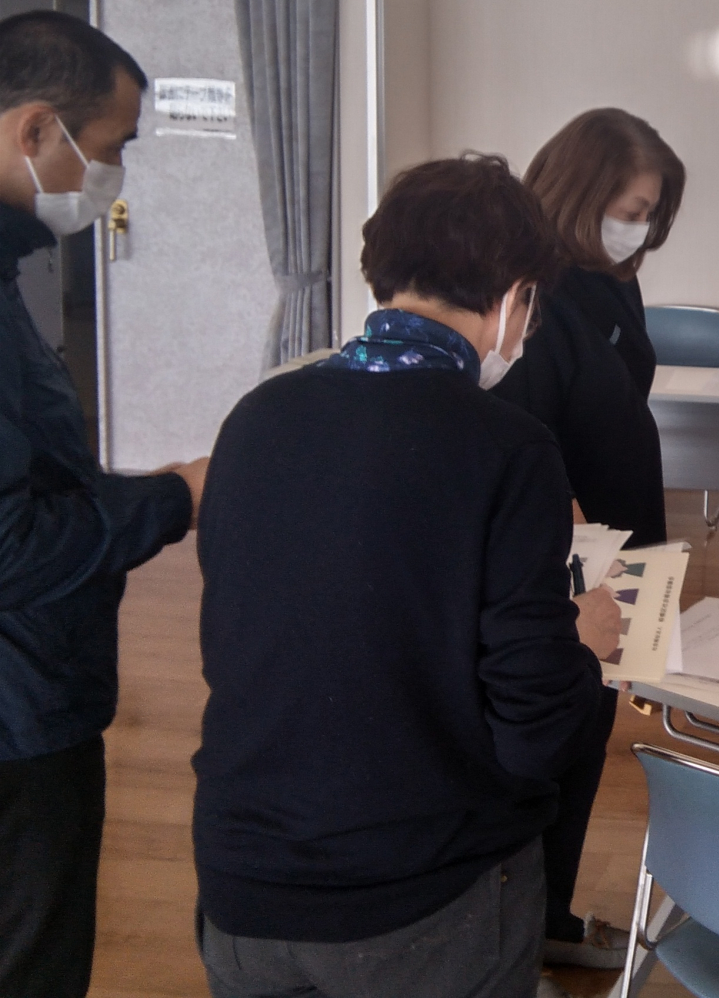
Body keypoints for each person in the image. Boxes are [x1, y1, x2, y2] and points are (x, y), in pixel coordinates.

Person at [193, 155, 621, 998]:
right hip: (422, 894)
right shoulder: (506, 447)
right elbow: (534, 734)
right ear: (516, 296)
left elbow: (252, 639)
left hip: (244, 880)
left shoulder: (257, 416)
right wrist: (586, 647)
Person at [0, 10, 207, 997]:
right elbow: (9, 544)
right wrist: (174, 499)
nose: (112, 175)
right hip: (16, 718)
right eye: (112, 147)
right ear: (36, 129)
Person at [491, 107, 685, 972]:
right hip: (573, 560)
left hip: (617, 543)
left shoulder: (610, 282)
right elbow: (525, 443)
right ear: (578, 194)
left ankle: (550, 919)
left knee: (584, 736)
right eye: (629, 211)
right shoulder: (535, 296)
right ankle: (522, 935)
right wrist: (586, 578)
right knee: (552, 740)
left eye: (650, 215)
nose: (638, 229)